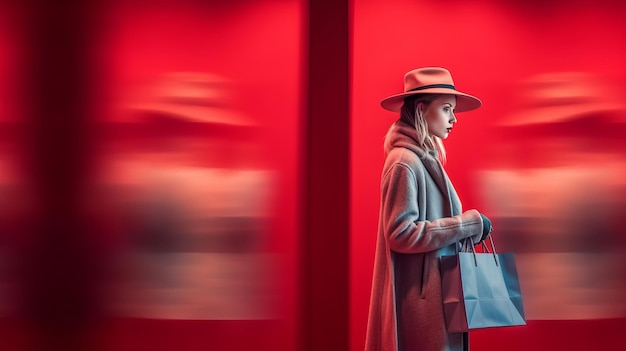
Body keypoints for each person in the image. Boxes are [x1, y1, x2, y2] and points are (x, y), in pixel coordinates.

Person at [365, 67, 492, 351]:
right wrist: (467, 224)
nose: (454, 118)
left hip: (436, 298)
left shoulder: (425, 160)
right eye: (446, 109)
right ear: (422, 110)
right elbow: (400, 233)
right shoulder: (404, 162)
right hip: (420, 305)